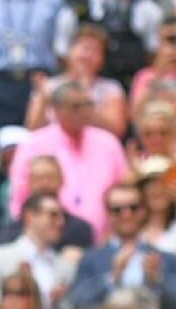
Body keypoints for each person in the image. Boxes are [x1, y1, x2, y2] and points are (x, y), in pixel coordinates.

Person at [0, 0, 66, 228]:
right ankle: (1, 229)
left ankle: (48, 223)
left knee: (42, 152)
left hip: (39, 80)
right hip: (1, 80)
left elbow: (60, 47)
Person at [7, 81, 131, 241]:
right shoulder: (33, 144)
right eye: (76, 107)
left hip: (104, 241)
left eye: (88, 105)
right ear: (57, 110)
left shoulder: (108, 142)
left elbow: (123, 188)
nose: (84, 112)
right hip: (48, 242)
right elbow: (19, 196)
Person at [66, 182, 176, 309]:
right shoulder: (90, 259)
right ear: (108, 214)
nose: (126, 214)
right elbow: (78, 305)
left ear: (143, 211)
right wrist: (112, 278)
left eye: (133, 207)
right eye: (117, 209)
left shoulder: (167, 258)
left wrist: (157, 281)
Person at [0, 192, 78, 309]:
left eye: (63, 216)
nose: (61, 222)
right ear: (30, 217)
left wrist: (56, 301)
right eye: (53, 215)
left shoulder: (65, 266)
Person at [26, 25, 127, 138]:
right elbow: (32, 129)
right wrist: (43, 99)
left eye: (95, 51)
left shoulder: (111, 88)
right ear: (70, 51)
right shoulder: (48, 86)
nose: (88, 55)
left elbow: (117, 129)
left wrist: (85, 95)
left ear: (102, 59)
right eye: (85, 48)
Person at [0, 155, 96, 250]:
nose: (44, 183)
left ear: (62, 180)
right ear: (29, 182)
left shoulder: (79, 229)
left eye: (50, 177)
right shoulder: (12, 232)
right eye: (38, 179)